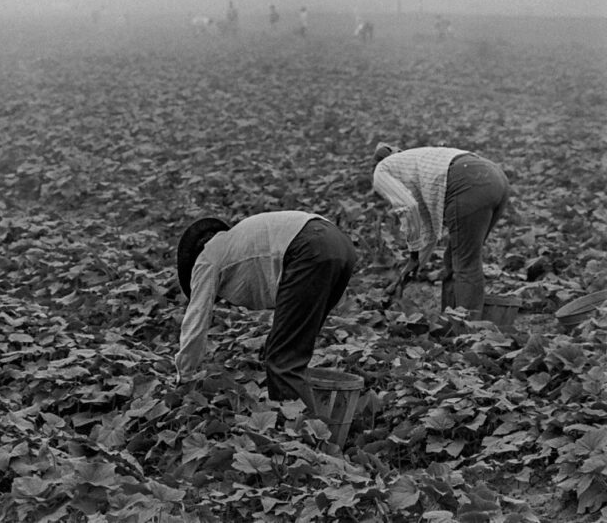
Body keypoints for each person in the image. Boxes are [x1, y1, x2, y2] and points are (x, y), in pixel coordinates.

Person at [174, 212, 356, 415]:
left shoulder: (206, 259)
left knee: (283, 362)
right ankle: (317, 420)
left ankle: (303, 436)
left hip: (308, 249)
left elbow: (197, 318)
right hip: (339, 244)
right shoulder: (237, 241)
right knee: (289, 352)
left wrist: (186, 374)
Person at [372, 143, 509, 315]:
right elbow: (428, 234)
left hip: (468, 181)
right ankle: (452, 322)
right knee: (454, 258)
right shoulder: (416, 167)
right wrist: (411, 269)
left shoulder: (382, 170)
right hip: (495, 177)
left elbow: (407, 208)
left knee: (465, 264)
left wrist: (413, 256)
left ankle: (468, 330)